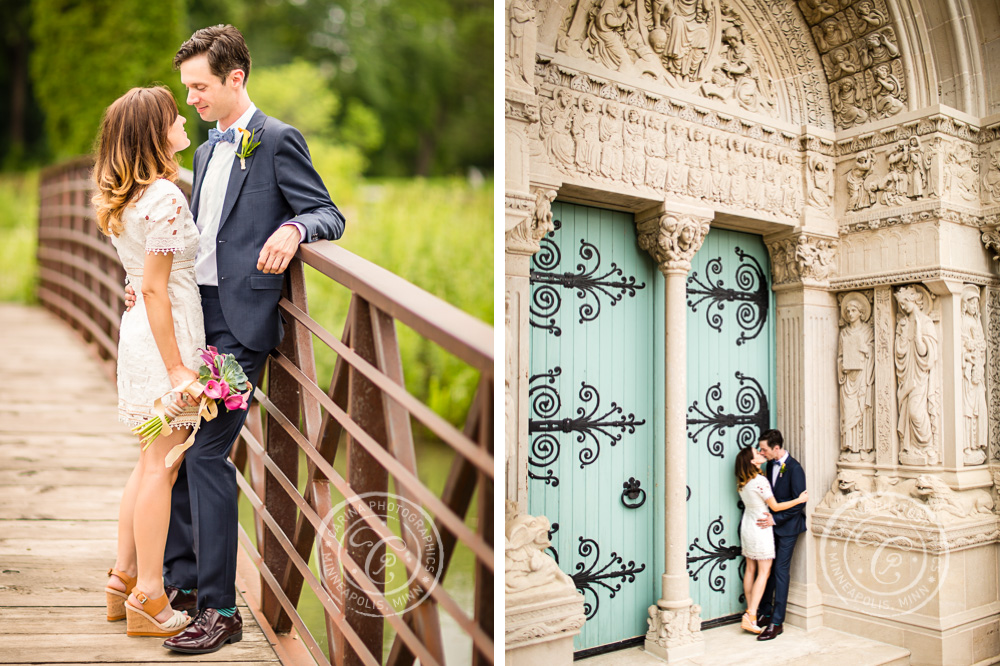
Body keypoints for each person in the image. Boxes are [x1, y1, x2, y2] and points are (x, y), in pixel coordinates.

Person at [124, 25, 345, 654]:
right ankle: (183, 584)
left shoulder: (275, 140)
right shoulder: (202, 149)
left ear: (234, 79)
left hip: (240, 331)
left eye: (199, 87)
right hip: (196, 320)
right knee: (169, 451)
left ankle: (222, 610)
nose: (190, 99)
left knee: (204, 455)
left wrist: (297, 229)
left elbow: (330, 211)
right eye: (188, 87)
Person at [94, 85, 200, 638]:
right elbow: (157, 290)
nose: (182, 119)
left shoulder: (132, 198)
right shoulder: (165, 197)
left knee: (148, 459)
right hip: (166, 342)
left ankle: (121, 577)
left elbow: (142, 280)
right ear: (153, 134)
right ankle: (151, 597)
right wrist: (181, 368)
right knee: (163, 463)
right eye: (172, 116)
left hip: (141, 336)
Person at [734, 446, 807, 635]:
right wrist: (798, 501)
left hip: (748, 526)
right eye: (757, 453)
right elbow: (775, 505)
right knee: (764, 573)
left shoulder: (743, 482)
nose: (761, 453)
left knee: (751, 569)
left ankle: (750, 612)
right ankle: (751, 615)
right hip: (761, 527)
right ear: (753, 462)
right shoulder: (760, 481)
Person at [753, 428, 808, 641]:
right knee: (766, 569)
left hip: (788, 529)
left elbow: (798, 504)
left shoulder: (795, 469)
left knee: (781, 572)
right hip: (770, 528)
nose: (762, 452)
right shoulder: (769, 465)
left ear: (776, 448)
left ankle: (777, 622)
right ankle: (765, 613)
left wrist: (776, 520)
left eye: (765, 449)